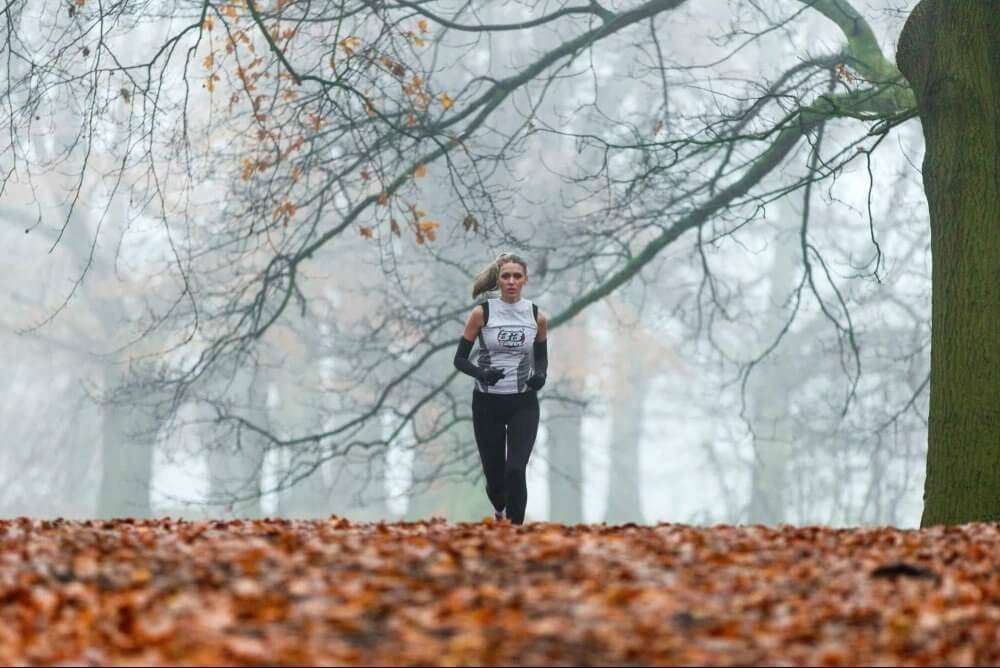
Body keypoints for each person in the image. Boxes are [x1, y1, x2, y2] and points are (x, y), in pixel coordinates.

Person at [453, 253, 548, 525]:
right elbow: (459, 359)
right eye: (506, 276)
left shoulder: (536, 316)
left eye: (517, 276)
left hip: (523, 404)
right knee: (496, 481)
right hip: (487, 403)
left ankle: (516, 533)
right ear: (498, 279)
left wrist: (540, 375)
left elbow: (541, 358)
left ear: (525, 280)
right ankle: (499, 509)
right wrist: (481, 372)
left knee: (516, 470)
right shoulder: (482, 313)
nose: (511, 281)